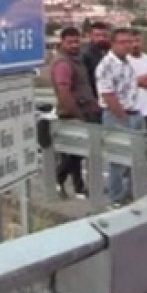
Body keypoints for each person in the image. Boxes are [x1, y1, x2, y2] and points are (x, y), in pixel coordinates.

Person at [48, 26, 101, 198]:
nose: (74, 45)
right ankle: (57, 179)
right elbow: (64, 92)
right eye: (70, 42)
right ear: (62, 42)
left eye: (76, 41)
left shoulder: (76, 60)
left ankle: (78, 187)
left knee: (78, 154)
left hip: (86, 110)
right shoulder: (62, 63)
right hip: (73, 114)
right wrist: (78, 115)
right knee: (73, 154)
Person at [94, 28, 144, 206]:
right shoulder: (106, 65)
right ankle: (115, 197)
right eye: (123, 42)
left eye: (130, 42)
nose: (128, 46)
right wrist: (123, 118)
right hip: (117, 115)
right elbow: (108, 95)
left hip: (134, 112)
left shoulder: (126, 63)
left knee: (134, 158)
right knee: (117, 158)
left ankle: (130, 194)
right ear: (113, 44)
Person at [81, 21, 111, 96]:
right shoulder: (85, 55)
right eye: (97, 35)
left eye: (104, 35)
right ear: (91, 36)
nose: (101, 38)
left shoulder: (110, 52)